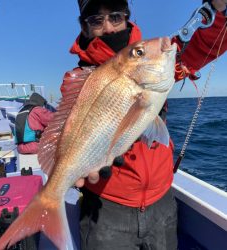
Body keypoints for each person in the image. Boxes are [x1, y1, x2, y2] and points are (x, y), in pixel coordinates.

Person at [59, 0, 227, 249]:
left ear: (127, 18)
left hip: (162, 203)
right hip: (106, 211)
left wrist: (219, 10)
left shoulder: (152, 59)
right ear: (84, 27)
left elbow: (203, 45)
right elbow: (71, 136)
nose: (108, 28)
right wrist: (74, 169)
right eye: (96, 20)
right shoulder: (79, 81)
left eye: (115, 17)